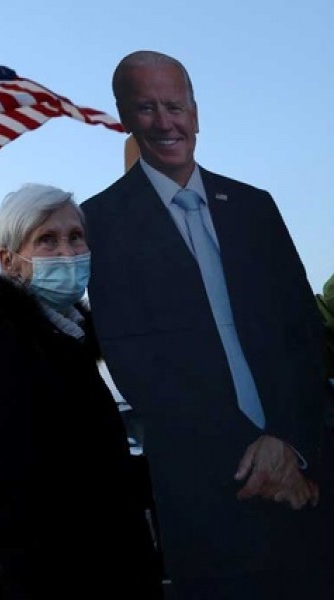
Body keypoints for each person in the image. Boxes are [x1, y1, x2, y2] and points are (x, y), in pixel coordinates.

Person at [81, 50, 334, 598]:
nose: (165, 122)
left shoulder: (254, 207)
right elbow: (135, 363)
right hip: (210, 504)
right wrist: (256, 458)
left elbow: (304, 335)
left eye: (175, 106)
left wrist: (289, 446)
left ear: (196, 113)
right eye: (146, 108)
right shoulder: (100, 223)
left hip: (305, 488)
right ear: (124, 115)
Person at [0, 183, 164, 598]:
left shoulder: (69, 339)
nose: (68, 252)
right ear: (10, 262)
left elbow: (93, 467)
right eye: (47, 240)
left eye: (76, 236)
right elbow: (7, 499)